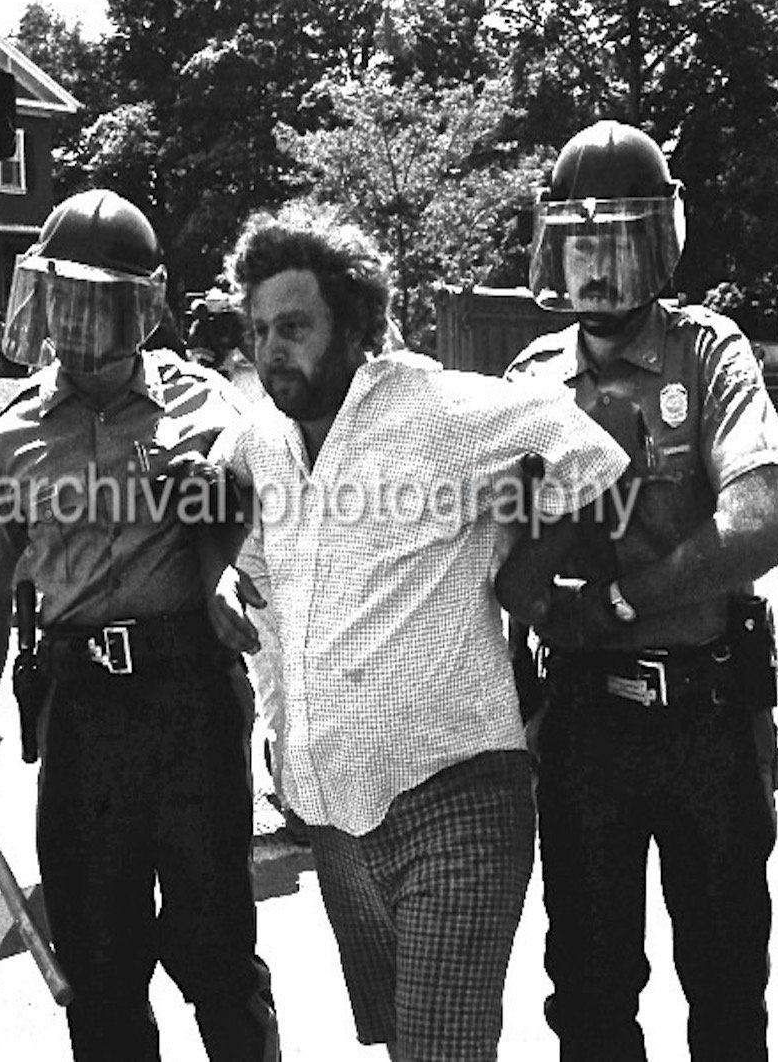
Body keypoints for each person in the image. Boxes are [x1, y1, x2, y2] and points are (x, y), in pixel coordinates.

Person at [210, 203, 628, 1060]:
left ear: (354, 323)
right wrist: (221, 582)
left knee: (442, 1051)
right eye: (257, 330)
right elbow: (264, 586)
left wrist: (525, 570)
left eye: (294, 326)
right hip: (332, 820)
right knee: (408, 1043)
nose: (270, 349)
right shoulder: (257, 444)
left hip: (457, 792)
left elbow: (590, 455)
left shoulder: (440, 409)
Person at [0, 189, 280, 1062]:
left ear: (142, 306)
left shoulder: (210, 411)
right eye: (65, 299)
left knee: (216, 955)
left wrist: (224, 563)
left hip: (191, 703)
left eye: (102, 302)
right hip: (82, 718)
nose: (79, 324)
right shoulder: (11, 440)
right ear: (40, 299)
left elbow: (270, 533)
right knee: (101, 966)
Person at [496, 120, 778, 1060]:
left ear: (657, 242)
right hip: (585, 729)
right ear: (555, 246)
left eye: (618, 240)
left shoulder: (709, 354)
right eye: (579, 242)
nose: (596, 267)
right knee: (587, 998)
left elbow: (756, 525)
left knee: (723, 993)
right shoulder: (529, 379)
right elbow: (500, 564)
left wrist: (622, 603)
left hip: (704, 717)